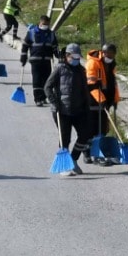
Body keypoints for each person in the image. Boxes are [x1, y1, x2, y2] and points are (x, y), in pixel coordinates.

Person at [45, 43, 93, 175]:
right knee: (65, 139)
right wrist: (55, 103)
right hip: (62, 111)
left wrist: (87, 107)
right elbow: (47, 87)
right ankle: (64, 167)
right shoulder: (59, 69)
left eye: (78, 57)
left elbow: (85, 91)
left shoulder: (81, 71)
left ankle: (73, 159)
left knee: (84, 135)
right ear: (67, 56)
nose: (77, 59)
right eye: (74, 57)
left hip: (78, 110)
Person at [85, 42, 121, 165]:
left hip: (106, 101)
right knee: (91, 128)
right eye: (107, 53)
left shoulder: (111, 64)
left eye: (112, 54)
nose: (109, 56)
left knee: (103, 128)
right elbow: (91, 85)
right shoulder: (93, 63)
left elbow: (113, 84)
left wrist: (115, 99)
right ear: (103, 52)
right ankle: (88, 154)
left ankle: (100, 151)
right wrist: (101, 100)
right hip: (93, 100)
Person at [22, 15, 58, 106]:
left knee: (46, 80)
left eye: (47, 24)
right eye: (44, 24)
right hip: (36, 60)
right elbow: (25, 45)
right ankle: (37, 98)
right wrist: (23, 56)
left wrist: (58, 55)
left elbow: (54, 47)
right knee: (37, 79)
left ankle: (43, 97)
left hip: (47, 60)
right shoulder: (32, 32)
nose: (45, 25)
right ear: (40, 22)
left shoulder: (51, 34)